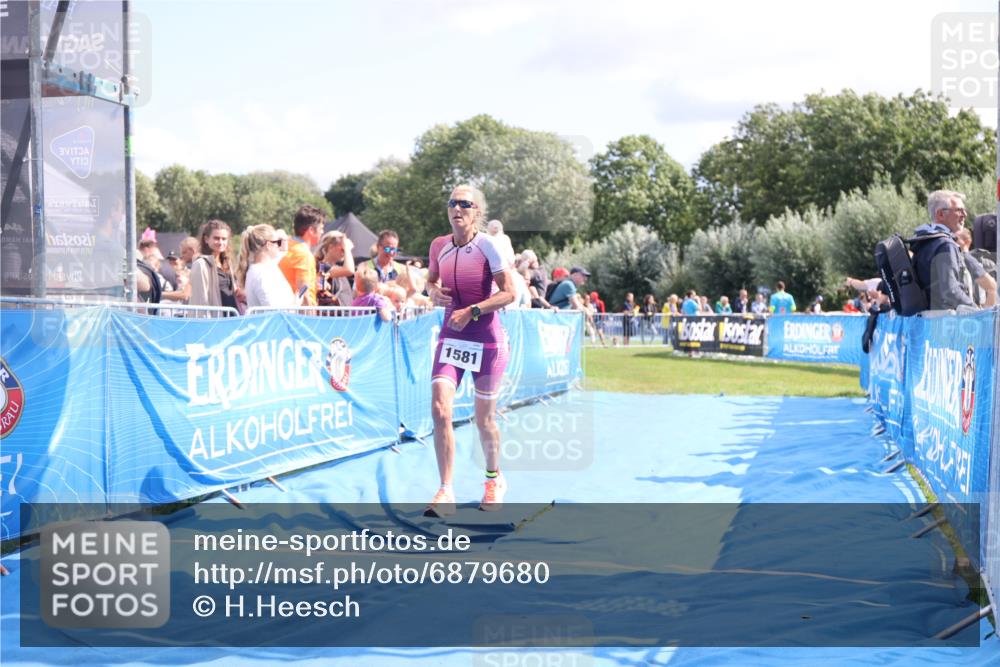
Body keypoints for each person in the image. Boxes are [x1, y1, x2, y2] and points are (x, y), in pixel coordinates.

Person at [424, 184, 517, 517]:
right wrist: (433, 292)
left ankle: (494, 479)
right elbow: (430, 281)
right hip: (452, 336)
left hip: (487, 339)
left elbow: (510, 294)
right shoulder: (438, 246)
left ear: (477, 212)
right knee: (439, 408)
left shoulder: (488, 246)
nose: (457, 208)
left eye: (465, 203)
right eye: (452, 203)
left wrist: (474, 310)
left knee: (484, 419)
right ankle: (446, 490)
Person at [911, 190, 994, 311]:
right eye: (959, 210)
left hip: (928, 319)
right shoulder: (945, 245)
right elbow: (951, 291)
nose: (964, 214)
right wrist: (975, 311)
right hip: (945, 322)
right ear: (940, 214)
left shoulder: (924, 241)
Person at [237, 224, 297, 309]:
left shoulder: (264, 268)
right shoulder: (262, 273)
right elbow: (273, 309)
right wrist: (296, 305)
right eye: (278, 242)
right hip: (275, 321)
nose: (279, 246)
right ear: (269, 245)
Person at [188, 219, 240, 316]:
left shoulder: (227, 262)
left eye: (224, 239)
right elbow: (201, 300)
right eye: (216, 238)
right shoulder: (201, 264)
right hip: (214, 323)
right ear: (206, 239)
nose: (220, 242)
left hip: (231, 319)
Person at [279, 205, 326, 306]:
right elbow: (303, 290)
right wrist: (310, 317)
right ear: (311, 230)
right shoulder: (303, 254)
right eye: (321, 228)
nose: (323, 232)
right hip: (300, 315)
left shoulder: (286, 246)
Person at [315, 230, 356, 308]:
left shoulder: (337, 268)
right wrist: (347, 248)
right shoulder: (322, 266)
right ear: (330, 247)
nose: (344, 253)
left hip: (343, 317)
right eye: (342, 249)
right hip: (332, 317)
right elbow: (350, 270)